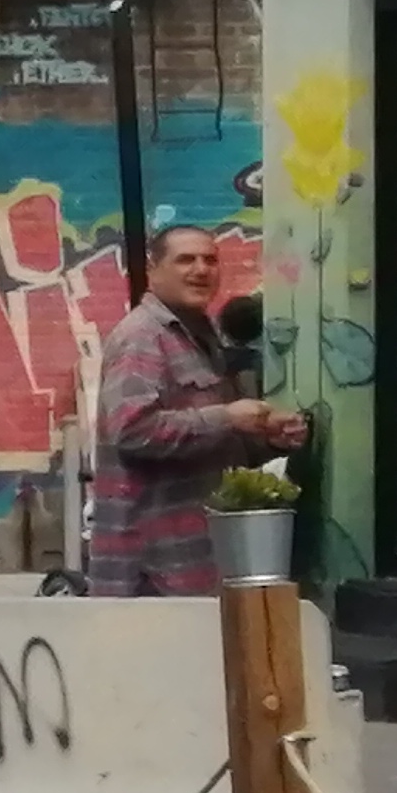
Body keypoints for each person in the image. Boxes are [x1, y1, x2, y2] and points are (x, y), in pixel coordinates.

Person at [84, 222, 298, 597]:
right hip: (149, 575)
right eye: (185, 260)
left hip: (194, 563)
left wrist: (270, 438)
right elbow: (133, 432)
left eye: (210, 260)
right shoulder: (143, 338)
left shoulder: (198, 334)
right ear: (154, 270)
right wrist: (228, 416)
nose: (201, 270)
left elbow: (212, 443)